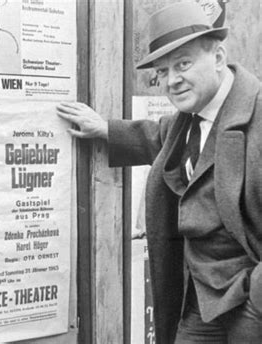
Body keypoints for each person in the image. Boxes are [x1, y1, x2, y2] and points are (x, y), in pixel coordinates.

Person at [57, 2, 262, 343]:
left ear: (218, 57)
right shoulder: (190, 119)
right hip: (202, 297)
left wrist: (257, 297)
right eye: (163, 71)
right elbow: (158, 137)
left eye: (183, 64)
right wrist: (104, 128)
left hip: (250, 300)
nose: (172, 81)